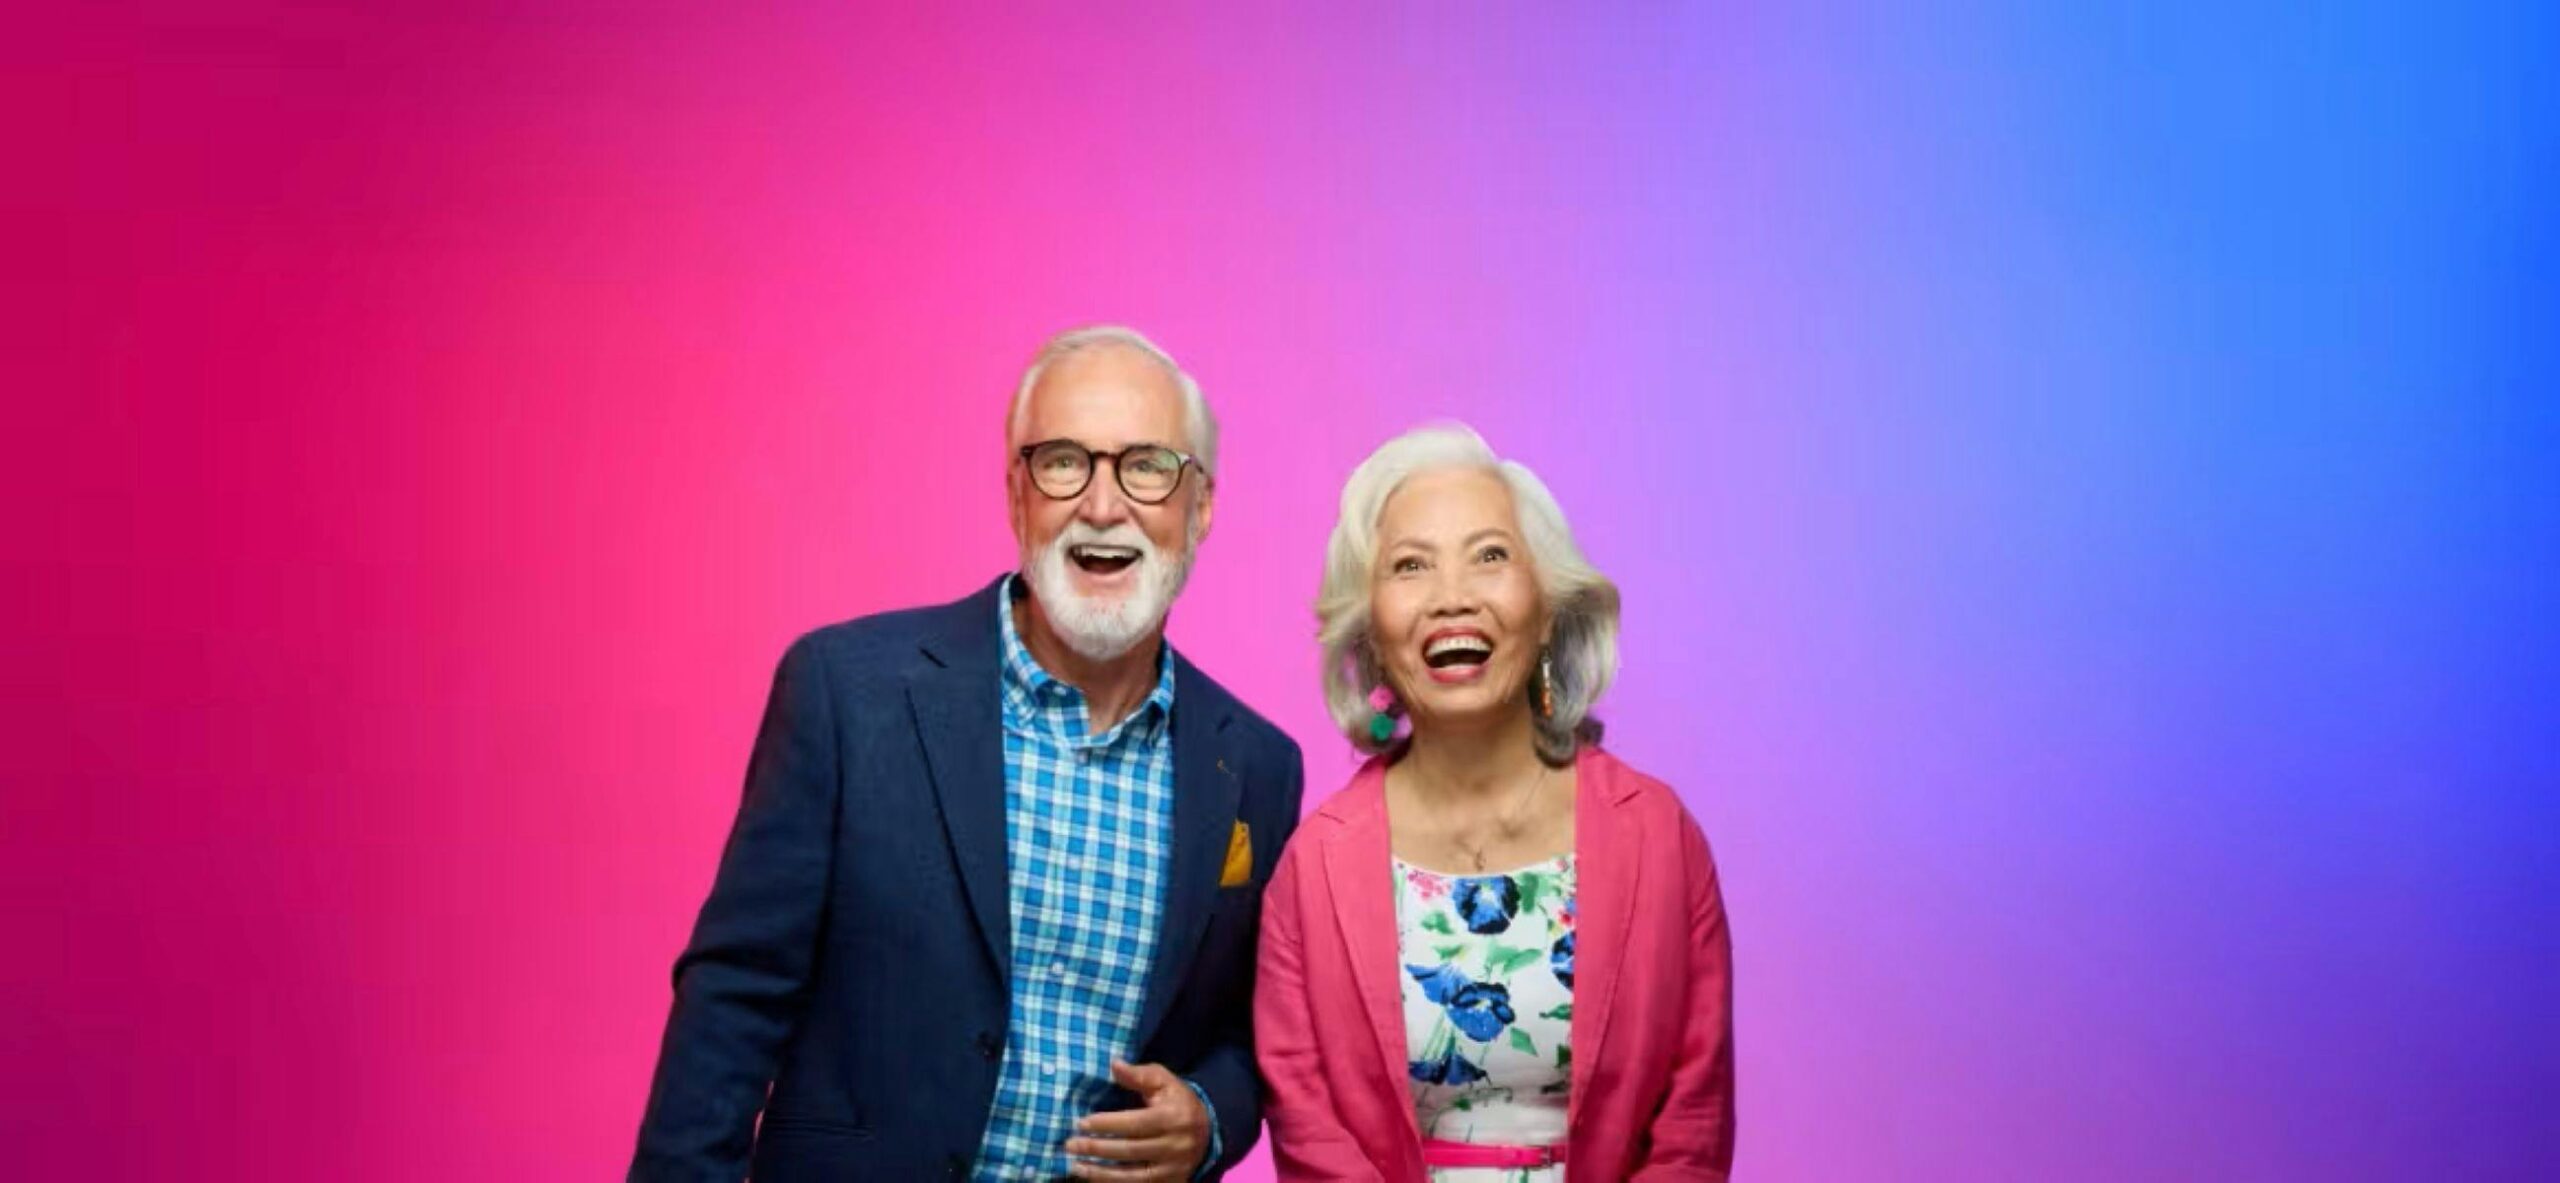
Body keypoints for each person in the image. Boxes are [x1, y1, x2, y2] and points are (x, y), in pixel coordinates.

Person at [631, 326, 1304, 1182]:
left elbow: (1260, 1036)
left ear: (1199, 505)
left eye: (1146, 466)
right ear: (1017, 494)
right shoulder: (848, 692)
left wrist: (1208, 1115)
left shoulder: (1257, 767)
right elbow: (733, 999)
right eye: (1064, 462)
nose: (1103, 505)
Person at [1256, 424, 1735, 1181]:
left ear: (1546, 608)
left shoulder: (1657, 836)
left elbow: (1693, 1119)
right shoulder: (1312, 868)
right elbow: (1309, 1127)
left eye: (1490, 555)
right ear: (1371, 633)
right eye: (1411, 565)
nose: (1453, 597)